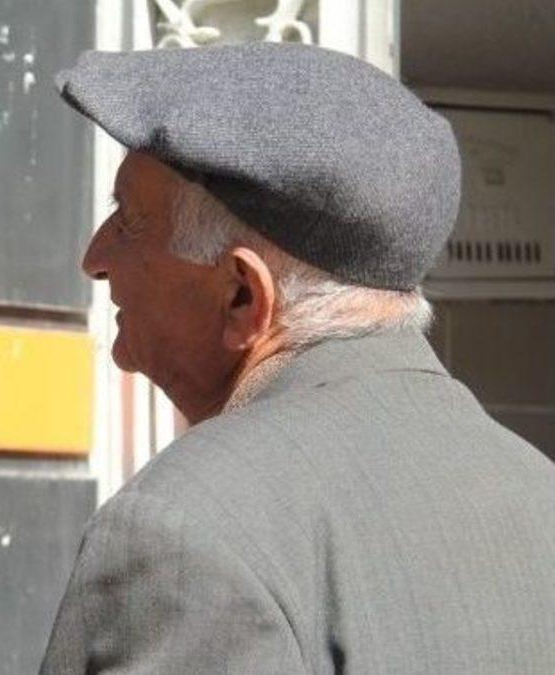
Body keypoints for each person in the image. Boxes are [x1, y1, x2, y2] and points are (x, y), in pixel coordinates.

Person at [41, 43, 555, 674]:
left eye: (127, 219)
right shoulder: (537, 490)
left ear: (242, 295)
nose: (95, 258)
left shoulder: (187, 531)